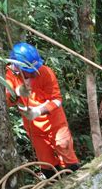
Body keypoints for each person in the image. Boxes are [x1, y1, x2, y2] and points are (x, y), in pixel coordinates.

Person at [5, 42, 80, 178]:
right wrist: (17, 91)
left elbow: (56, 99)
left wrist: (37, 111)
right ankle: (54, 186)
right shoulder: (10, 76)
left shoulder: (45, 72)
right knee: (46, 162)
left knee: (64, 146)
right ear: (18, 67)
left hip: (55, 122)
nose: (35, 73)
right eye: (30, 71)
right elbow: (7, 102)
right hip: (34, 128)